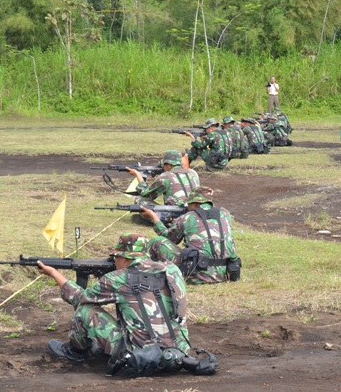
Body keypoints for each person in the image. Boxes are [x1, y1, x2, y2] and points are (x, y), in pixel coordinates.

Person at [40, 233, 191, 366]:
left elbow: (79, 298)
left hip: (139, 357)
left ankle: (76, 353)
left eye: (116, 257)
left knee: (85, 310)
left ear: (125, 258)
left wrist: (54, 273)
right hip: (178, 353)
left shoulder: (117, 278)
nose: (114, 261)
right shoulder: (172, 270)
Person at [142, 189, 241, 285]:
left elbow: (168, 237)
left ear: (195, 204)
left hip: (197, 275)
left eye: (188, 203)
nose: (187, 206)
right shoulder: (225, 213)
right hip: (226, 273)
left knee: (157, 241)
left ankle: (145, 272)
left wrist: (154, 218)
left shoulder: (187, 217)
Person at [127, 150, 200, 206]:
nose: (163, 167)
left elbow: (146, 194)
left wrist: (138, 175)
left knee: (140, 200)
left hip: (175, 213)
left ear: (169, 164)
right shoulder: (193, 173)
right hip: (193, 211)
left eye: (164, 165)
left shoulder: (165, 176)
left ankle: (163, 220)